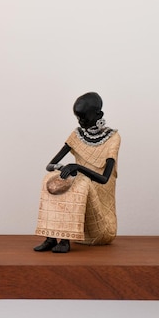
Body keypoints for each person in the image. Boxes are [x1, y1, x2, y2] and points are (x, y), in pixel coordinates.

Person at [34, 92, 121, 253]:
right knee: (51, 178)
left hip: (99, 211)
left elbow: (104, 179)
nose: (81, 122)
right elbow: (50, 165)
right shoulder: (77, 135)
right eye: (78, 118)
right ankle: (51, 237)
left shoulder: (113, 138)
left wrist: (78, 168)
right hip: (80, 184)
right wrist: (61, 169)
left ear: (98, 115)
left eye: (84, 118)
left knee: (79, 184)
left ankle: (65, 240)